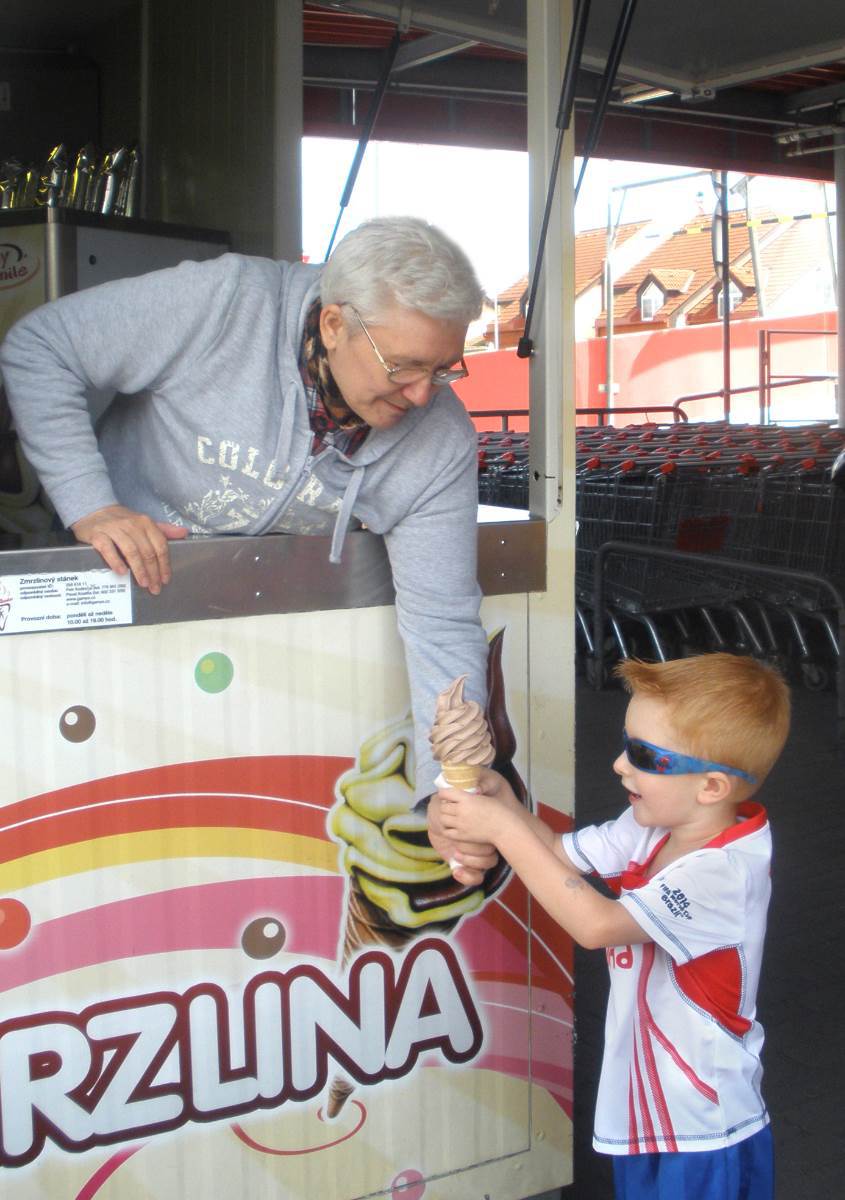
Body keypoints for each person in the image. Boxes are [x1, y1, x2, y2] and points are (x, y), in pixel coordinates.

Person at [0, 216, 489, 801]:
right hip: (121, 609)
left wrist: (454, 791)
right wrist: (91, 504)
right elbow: (41, 346)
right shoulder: (224, 302)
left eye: (443, 369)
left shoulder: (441, 439)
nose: (423, 395)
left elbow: (442, 623)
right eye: (403, 366)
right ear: (334, 325)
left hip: (262, 649)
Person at [430, 653, 791, 1200]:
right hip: (648, 1113)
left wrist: (502, 829)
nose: (620, 764)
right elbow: (557, 852)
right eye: (626, 743)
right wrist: (503, 800)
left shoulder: (726, 871)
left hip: (706, 1127)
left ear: (712, 787)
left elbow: (596, 924)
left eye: (644, 755)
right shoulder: (654, 826)